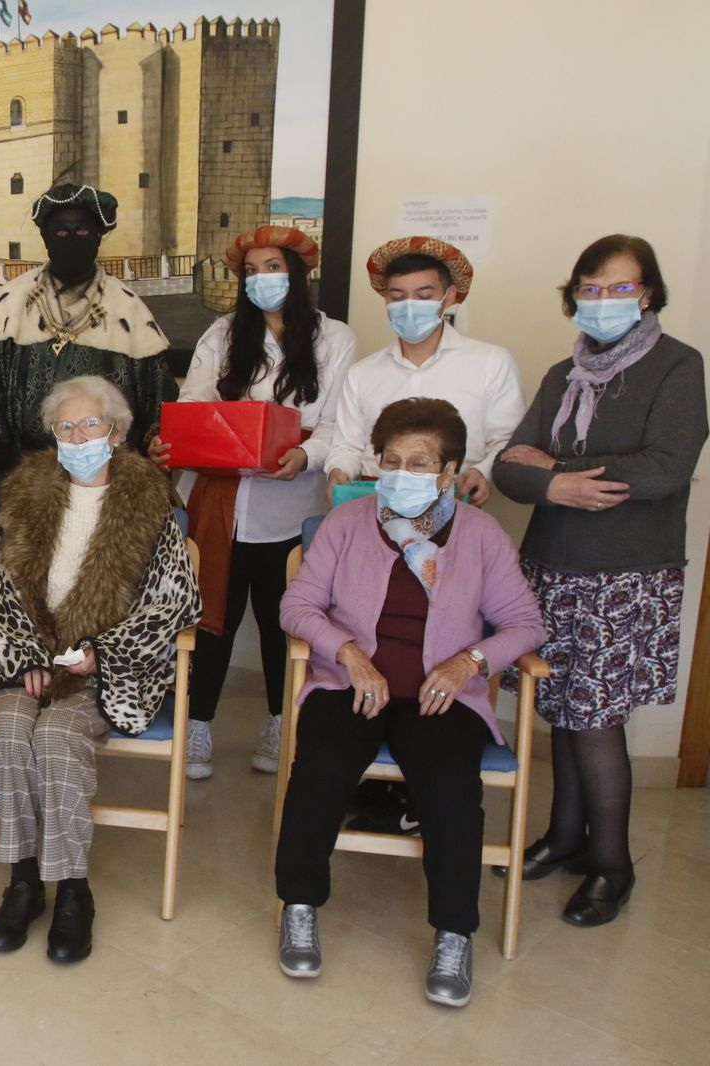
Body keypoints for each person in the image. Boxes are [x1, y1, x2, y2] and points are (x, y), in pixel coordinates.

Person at [275, 398, 545, 1008]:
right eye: (390, 460)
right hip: (352, 685)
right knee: (319, 770)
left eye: (419, 463)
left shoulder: (480, 536)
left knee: (451, 788)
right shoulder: (348, 524)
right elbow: (297, 606)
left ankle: (454, 933)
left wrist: (468, 662)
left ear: (450, 470)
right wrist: (346, 652)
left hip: (439, 695)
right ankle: (299, 904)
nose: (400, 473)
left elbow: (525, 624)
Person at [492, 235, 707, 927]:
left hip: (626, 573)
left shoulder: (678, 365)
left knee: (597, 720)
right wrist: (553, 480)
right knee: (558, 706)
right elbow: (507, 468)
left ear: (647, 292)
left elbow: (668, 467)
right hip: (553, 563)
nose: (603, 300)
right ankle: (564, 837)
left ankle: (612, 863)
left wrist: (554, 471)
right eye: (591, 286)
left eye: (620, 288)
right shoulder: (563, 373)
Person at [0, 376, 200, 963]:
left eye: (89, 424)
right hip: (29, 661)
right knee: (11, 733)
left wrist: (100, 654)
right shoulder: (23, 496)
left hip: (104, 666)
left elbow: (174, 602)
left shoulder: (150, 504)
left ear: (116, 433)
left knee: (59, 737)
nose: (76, 436)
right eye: (65, 427)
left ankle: (72, 890)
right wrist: (25, 656)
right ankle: (22, 879)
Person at [169, 225, 358, 781]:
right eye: (251, 272)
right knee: (210, 616)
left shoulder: (335, 339)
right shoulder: (223, 334)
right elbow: (194, 403)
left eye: (273, 267)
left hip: (291, 508)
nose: (261, 280)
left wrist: (308, 455)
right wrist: (198, 437)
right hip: (220, 503)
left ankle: (282, 721)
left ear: (297, 274)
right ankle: (197, 723)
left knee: (285, 621)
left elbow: (338, 424)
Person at [0, 183, 176, 523]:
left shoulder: (129, 311)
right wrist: (21, 480)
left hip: (111, 494)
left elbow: (160, 415)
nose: (72, 239)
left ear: (97, 237)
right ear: (46, 239)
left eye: (82, 231)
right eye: (61, 231)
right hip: (24, 491)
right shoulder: (11, 305)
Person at [325, 237, 525, 507]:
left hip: (456, 506)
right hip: (374, 506)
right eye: (397, 297)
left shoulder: (491, 362)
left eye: (424, 296)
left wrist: (482, 472)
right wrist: (339, 470)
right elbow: (347, 446)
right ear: (386, 299)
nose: (409, 305)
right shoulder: (362, 373)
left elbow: (507, 440)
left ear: (449, 296)